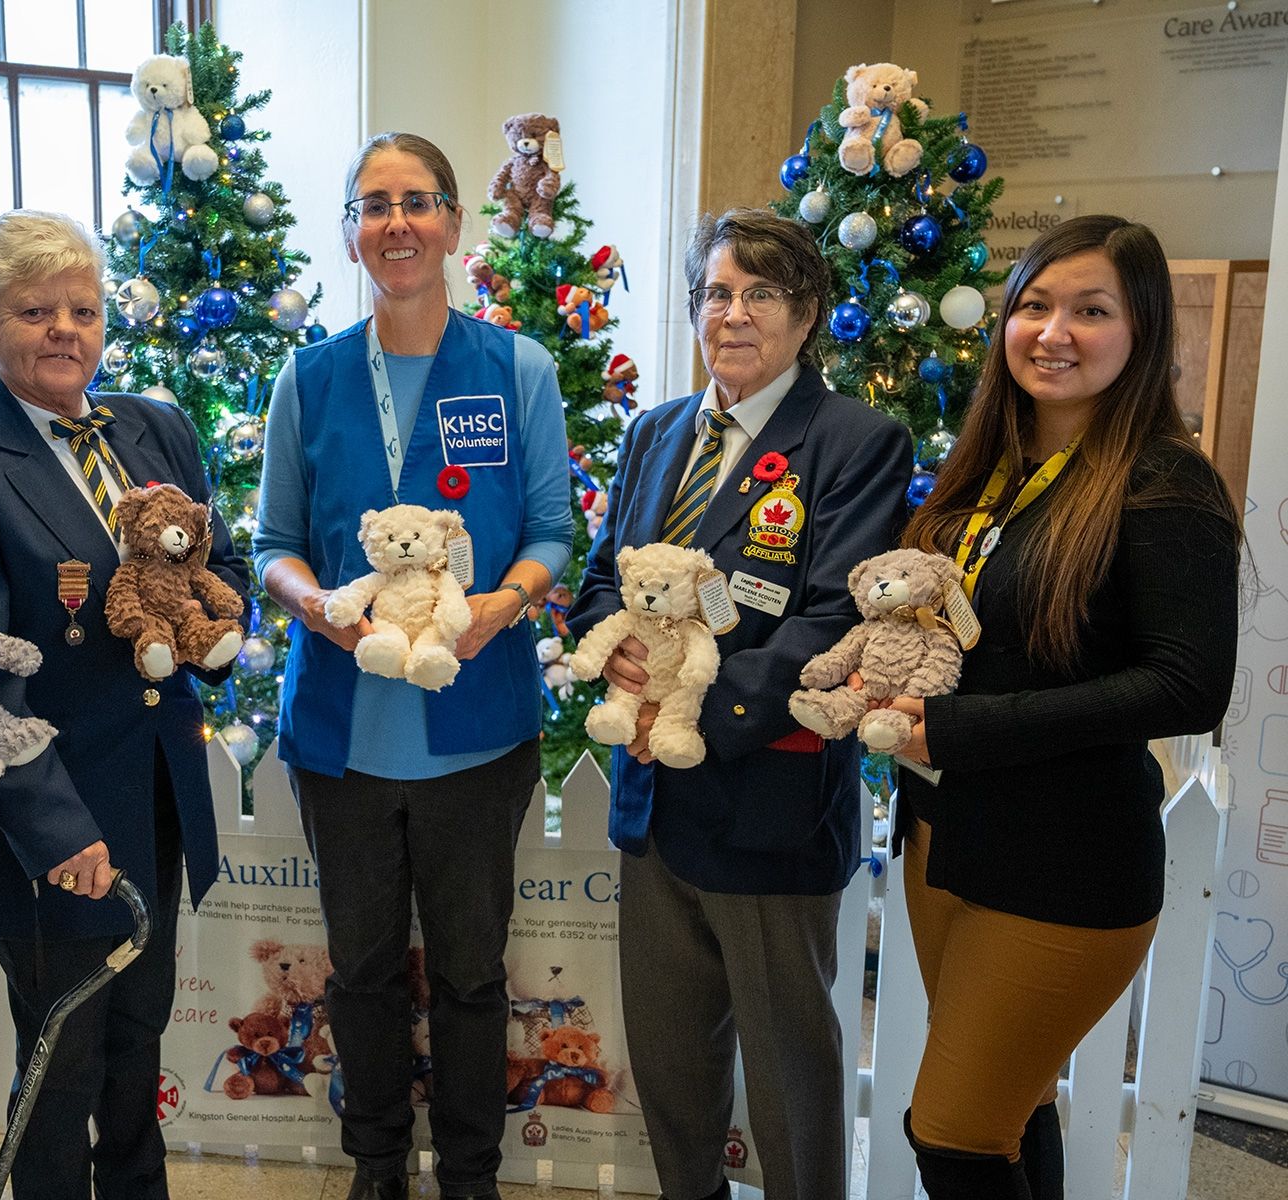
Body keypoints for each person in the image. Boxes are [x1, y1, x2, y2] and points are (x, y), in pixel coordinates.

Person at [888, 215, 1241, 1200]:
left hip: (1066, 862)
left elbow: (1187, 686)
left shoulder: (1166, 485)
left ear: (1143, 332)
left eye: (1092, 311)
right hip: (946, 838)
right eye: (1036, 305)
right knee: (1013, 1110)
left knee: (951, 1136)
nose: (1054, 332)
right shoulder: (991, 468)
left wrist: (962, 728)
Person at [0, 209, 247, 1200]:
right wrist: (55, 829)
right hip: (53, 817)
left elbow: (214, 564)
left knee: (139, 1052)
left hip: (158, 795)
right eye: (35, 310)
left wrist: (215, 633)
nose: (64, 329)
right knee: (61, 1068)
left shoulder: (154, 426)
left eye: (82, 309)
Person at [567, 208, 912, 1200]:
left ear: (806, 316)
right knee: (674, 1078)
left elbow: (832, 625)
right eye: (718, 292)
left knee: (791, 1087)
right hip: (653, 803)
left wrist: (685, 697)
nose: (735, 314)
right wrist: (622, 658)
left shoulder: (855, 442)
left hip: (769, 803)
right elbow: (603, 582)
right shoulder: (655, 433)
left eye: (761, 293)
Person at [254, 132, 572, 1200]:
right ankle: (378, 1166)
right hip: (342, 734)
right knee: (366, 971)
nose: (398, 222)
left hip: (477, 724)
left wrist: (501, 605)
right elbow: (272, 545)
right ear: (349, 232)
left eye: (419, 202)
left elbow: (552, 531)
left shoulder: (515, 367)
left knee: (476, 975)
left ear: (451, 225)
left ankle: (471, 1175)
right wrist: (316, 607)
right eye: (374, 204)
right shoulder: (309, 377)